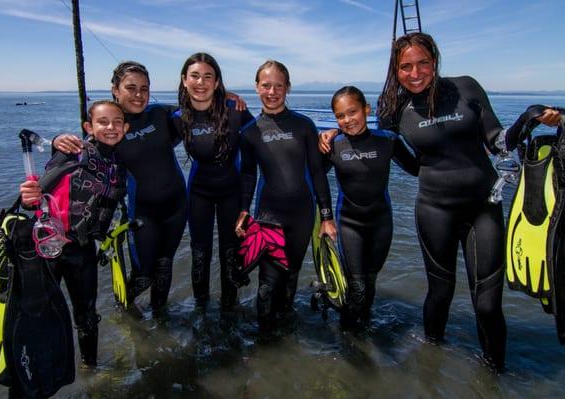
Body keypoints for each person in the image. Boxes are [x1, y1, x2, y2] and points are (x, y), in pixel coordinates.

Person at [320, 32, 560, 371]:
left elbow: (499, 143)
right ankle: (430, 369)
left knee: (489, 305)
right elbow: (376, 141)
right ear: (396, 70)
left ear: (434, 61)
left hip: (483, 206)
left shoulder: (466, 88)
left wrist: (528, 118)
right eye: (406, 67)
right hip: (434, 209)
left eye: (423, 64)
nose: (415, 73)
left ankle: (494, 377)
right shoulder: (393, 108)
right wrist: (334, 133)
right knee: (439, 293)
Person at [54, 61, 187, 316]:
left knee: (165, 265)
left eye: (144, 88)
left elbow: (198, 108)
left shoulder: (160, 114)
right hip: (142, 214)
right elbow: (81, 155)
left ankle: (161, 318)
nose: (139, 94)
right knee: (144, 274)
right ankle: (126, 316)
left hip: (177, 207)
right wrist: (57, 141)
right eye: (131, 88)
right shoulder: (112, 128)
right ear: (115, 89)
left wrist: (225, 95)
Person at [20, 100, 129, 367]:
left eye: (117, 122)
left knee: (87, 317)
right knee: (39, 314)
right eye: (103, 122)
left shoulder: (118, 165)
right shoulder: (73, 152)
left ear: (125, 128)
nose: (111, 127)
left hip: (82, 250)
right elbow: (36, 196)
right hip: (48, 248)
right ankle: (36, 370)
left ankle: (89, 368)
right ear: (88, 126)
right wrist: (26, 198)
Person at [235, 60, 336, 331]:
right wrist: (244, 210)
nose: (272, 91)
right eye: (266, 85)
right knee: (267, 285)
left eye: (278, 85)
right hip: (269, 215)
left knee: (291, 276)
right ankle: (265, 342)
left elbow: (317, 173)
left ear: (287, 88)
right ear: (256, 88)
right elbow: (247, 175)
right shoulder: (249, 132)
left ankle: (286, 333)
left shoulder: (304, 125)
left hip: (302, 214)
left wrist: (326, 216)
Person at [323, 86, 418, 328]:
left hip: (381, 223)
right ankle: (347, 336)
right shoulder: (334, 145)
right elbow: (314, 177)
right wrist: (324, 216)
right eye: (340, 116)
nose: (347, 120)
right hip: (349, 223)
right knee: (357, 285)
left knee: (370, 280)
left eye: (352, 112)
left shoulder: (387, 141)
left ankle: (363, 327)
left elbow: (418, 168)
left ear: (366, 110)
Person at [172, 53, 254, 310]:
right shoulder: (177, 117)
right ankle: (201, 308)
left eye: (208, 76)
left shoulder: (236, 111)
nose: (201, 82)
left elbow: (266, 136)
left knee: (231, 252)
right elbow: (138, 127)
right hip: (199, 191)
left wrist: (327, 136)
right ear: (184, 80)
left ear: (217, 83)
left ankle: (230, 308)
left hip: (232, 189)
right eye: (194, 75)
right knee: (200, 252)